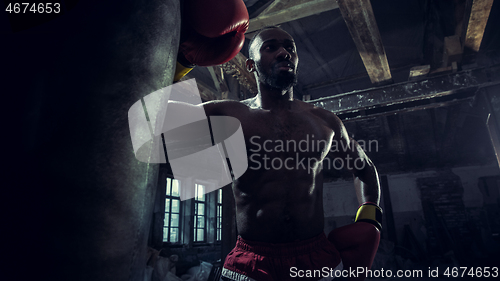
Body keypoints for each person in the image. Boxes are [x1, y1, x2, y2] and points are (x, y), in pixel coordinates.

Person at [197, 26, 381, 281]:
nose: (284, 52)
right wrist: (182, 61)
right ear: (250, 65)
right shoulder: (228, 115)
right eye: (270, 47)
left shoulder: (325, 121)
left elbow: (364, 167)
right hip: (251, 261)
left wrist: (370, 217)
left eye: (290, 47)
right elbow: (153, 127)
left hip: (316, 257)